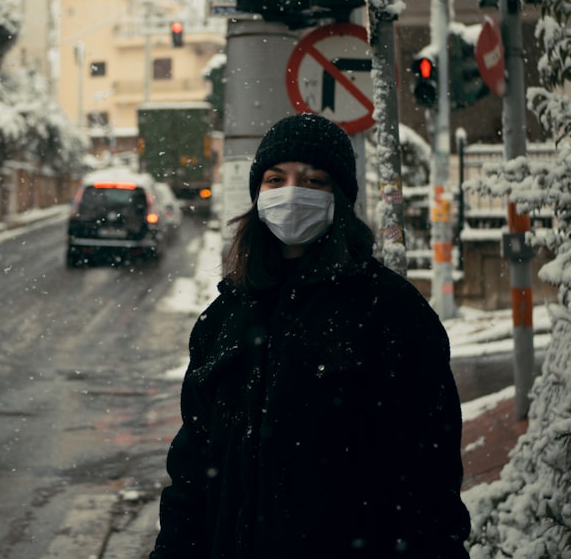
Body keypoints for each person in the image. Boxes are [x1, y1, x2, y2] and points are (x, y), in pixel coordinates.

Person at [150, 114, 471, 558]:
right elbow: (191, 475)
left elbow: (429, 481)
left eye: (313, 180)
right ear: (257, 195)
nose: (291, 192)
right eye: (275, 179)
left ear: (339, 197)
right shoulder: (225, 318)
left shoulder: (391, 312)